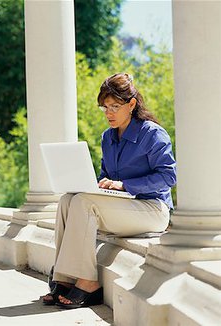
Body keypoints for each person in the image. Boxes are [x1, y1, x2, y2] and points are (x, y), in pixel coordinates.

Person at [41, 73, 176, 309]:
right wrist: (97, 184)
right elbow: (106, 176)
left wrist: (124, 185)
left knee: (82, 202)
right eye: (105, 108)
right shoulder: (108, 137)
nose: (109, 113)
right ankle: (64, 279)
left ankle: (88, 283)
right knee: (67, 200)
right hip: (123, 208)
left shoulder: (153, 134)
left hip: (154, 210)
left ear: (131, 104)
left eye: (115, 106)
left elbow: (168, 177)